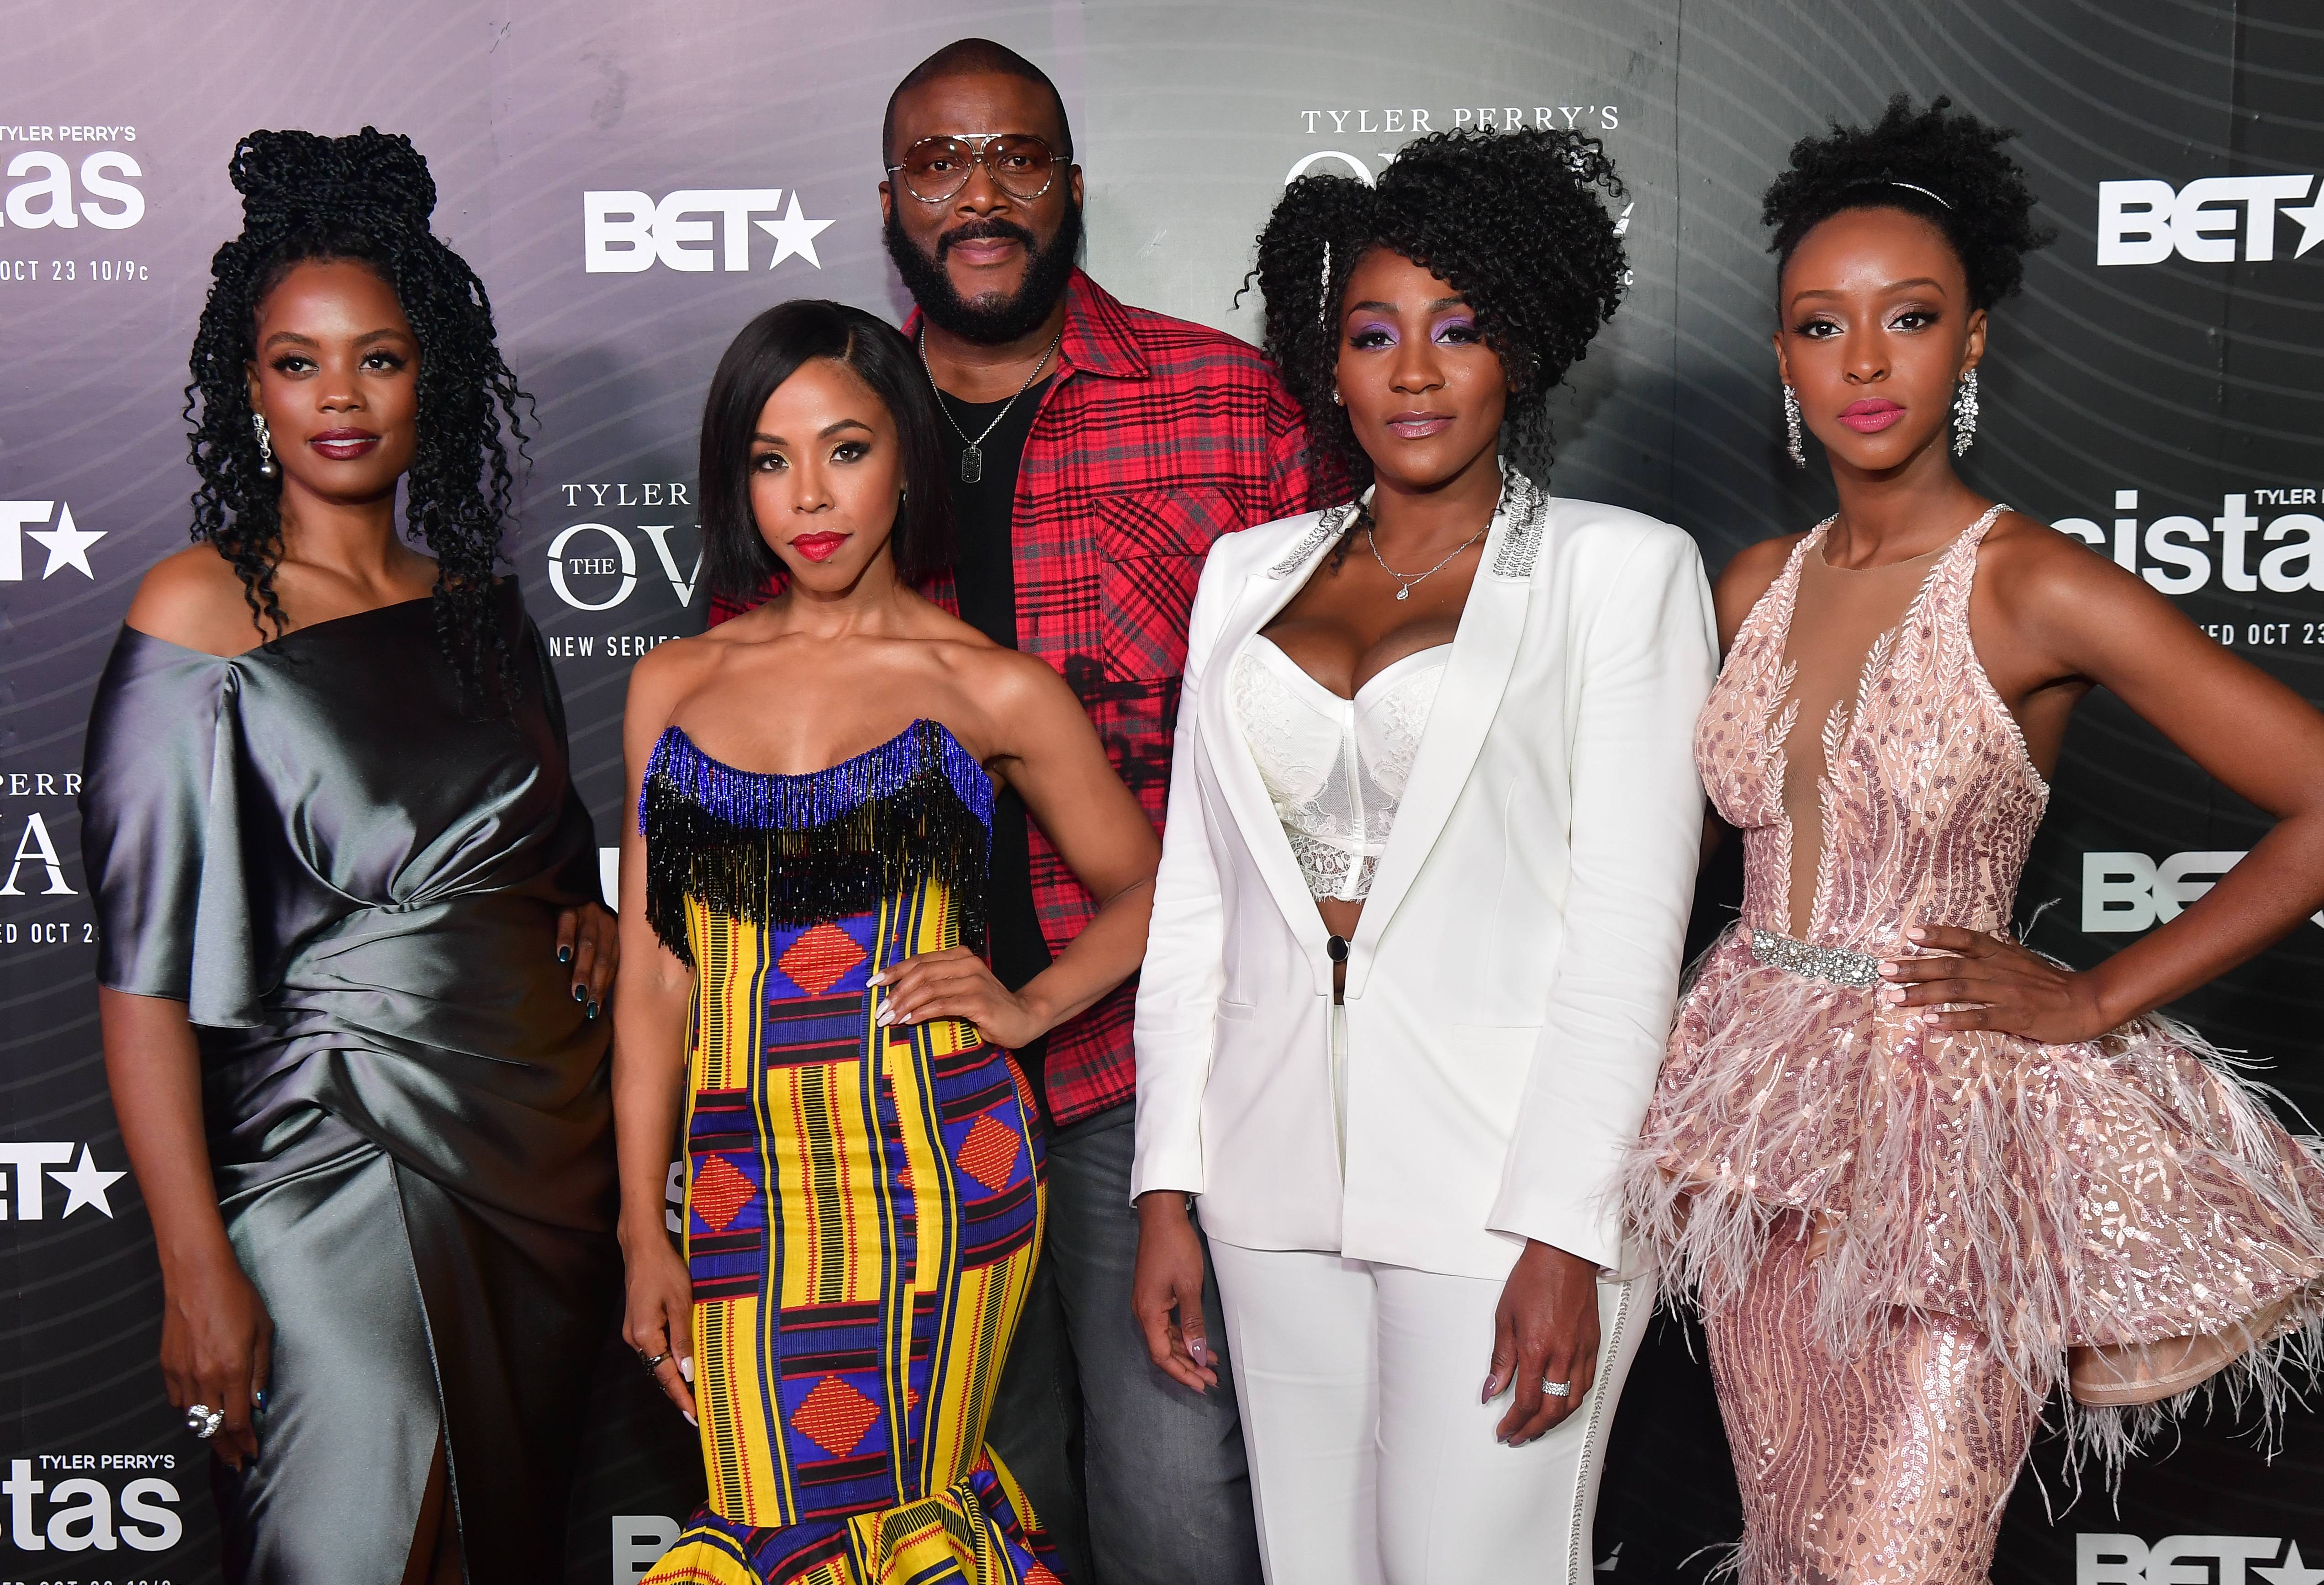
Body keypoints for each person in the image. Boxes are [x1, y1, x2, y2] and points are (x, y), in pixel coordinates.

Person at [1625, 96, 2324, 1584]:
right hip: (1757, 1134)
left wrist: (2092, 998)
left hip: (1949, 1149)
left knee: (1902, 1559)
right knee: (1793, 1544)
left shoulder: (2032, 586)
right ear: (1783, 356)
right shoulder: (1755, 580)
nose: (1866, 363)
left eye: (1911, 317)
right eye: (1822, 325)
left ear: (1976, 338)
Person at [707, 37, 1316, 1584]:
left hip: (1136, 1074)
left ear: (1073, 188)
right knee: (960, 1530)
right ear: (892, 201)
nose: (979, 194)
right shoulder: (825, 426)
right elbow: (738, 762)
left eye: (1017, 158)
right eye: (938, 163)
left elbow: (1318, 748)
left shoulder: (1224, 407)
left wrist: (1047, 999)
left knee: (1179, 1513)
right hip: (875, 1106)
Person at [1129, 127, 1717, 1584]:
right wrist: (1165, 1187)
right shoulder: (1242, 574)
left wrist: (1572, 1232)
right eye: (1371, 335)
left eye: (1457, 333)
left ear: (1518, 348)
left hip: (1500, 1192)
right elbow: (1197, 905)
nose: (1412, 373)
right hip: (1269, 1192)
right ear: (1325, 364)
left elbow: (1628, 929)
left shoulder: (1618, 573)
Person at [79, 128, 620, 1584]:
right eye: (297, 362)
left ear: (427, 376)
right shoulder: (199, 614)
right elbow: (140, 985)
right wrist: (198, 1269)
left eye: (377, 359)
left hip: (544, 1178)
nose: (339, 397)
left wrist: (597, 924)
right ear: (245, 387)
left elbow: (546, 865)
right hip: (328, 1170)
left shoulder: (484, 610)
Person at [615, 299, 1161, 1585]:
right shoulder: (673, 683)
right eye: (769, 457)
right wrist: (644, 1225)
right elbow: (653, 979)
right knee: (765, 1512)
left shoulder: (989, 685)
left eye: (846, 449)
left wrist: (1030, 1006)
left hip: (934, 1175)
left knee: (905, 1513)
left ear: (908, 458)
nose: (810, 494)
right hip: (744, 1183)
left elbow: (1159, 888)